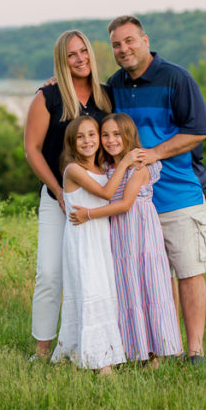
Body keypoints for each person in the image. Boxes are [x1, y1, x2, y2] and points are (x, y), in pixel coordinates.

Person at [106, 15, 206, 365]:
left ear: (144, 40)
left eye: (129, 41)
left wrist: (154, 153)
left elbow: (197, 131)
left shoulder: (177, 78)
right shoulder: (115, 84)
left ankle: (195, 349)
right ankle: (161, 345)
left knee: (188, 270)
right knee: (152, 276)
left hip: (179, 193)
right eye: (116, 45)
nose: (123, 49)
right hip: (136, 201)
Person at [23, 30, 113, 360]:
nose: (80, 59)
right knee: (49, 273)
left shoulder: (106, 96)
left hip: (98, 201)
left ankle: (101, 344)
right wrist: (59, 191)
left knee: (98, 273)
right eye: (72, 55)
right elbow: (31, 149)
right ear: (62, 61)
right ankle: (43, 349)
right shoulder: (48, 96)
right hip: (57, 199)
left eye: (84, 51)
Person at [69, 113, 183, 365]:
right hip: (119, 238)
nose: (110, 140)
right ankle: (137, 350)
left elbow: (125, 204)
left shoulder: (139, 166)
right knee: (128, 290)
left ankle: (158, 354)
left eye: (116, 134)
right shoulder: (107, 167)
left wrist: (88, 214)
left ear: (128, 135)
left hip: (142, 234)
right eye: (106, 135)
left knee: (150, 287)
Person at [50, 115, 142, 374]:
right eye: (80, 137)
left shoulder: (102, 168)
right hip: (83, 239)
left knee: (104, 292)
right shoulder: (73, 169)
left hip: (102, 238)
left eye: (92, 134)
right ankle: (99, 362)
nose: (87, 141)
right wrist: (125, 162)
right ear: (71, 142)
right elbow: (106, 194)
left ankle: (99, 351)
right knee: (90, 291)